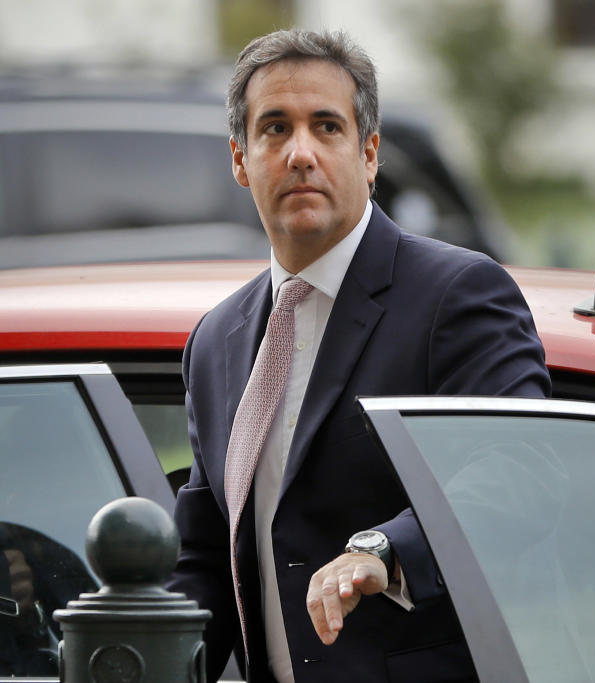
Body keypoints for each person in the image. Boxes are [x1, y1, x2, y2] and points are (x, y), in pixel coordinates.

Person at [167, 27, 550, 683]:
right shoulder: (216, 339)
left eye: (327, 127)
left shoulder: (455, 295)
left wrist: (384, 550)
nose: (301, 154)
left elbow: (524, 467)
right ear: (241, 158)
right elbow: (206, 556)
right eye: (275, 129)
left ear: (369, 153)